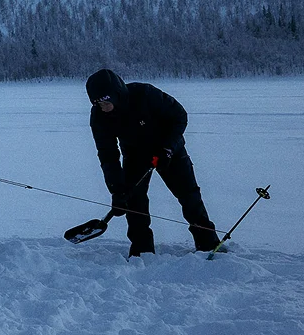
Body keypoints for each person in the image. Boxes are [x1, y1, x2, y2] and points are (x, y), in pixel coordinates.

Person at [85, 68, 221, 256]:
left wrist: (167, 149)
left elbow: (180, 116)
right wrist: (117, 190)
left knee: (189, 196)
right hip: (135, 155)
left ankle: (208, 243)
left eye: (105, 100)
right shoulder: (99, 117)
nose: (102, 105)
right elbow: (107, 155)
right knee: (133, 201)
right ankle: (142, 250)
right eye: (97, 102)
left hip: (168, 151)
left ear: (116, 93)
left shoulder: (145, 95)